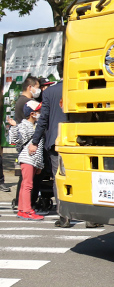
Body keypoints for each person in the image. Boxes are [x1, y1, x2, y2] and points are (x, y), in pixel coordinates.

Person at [30, 64, 68, 226]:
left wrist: (35, 141)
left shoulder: (50, 92)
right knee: (82, 177)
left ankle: (64, 216)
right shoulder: (81, 87)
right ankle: (90, 218)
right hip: (79, 141)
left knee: (58, 177)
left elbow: (43, 119)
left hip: (55, 140)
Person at [2, 75, 41, 193]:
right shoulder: (28, 103)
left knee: (25, 180)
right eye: (37, 87)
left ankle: (20, 203)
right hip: (28, 148)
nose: (38, 90)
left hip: (24, 146)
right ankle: (23, 205)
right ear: (30, 87)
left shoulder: (20, 100)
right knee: (27, 182)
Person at [8, 100, 44, 220]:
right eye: (38, 111)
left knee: (25, 185)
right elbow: (16, 140)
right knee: (28, 185)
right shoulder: (25, 125)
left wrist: (39, 165)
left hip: (31, 160)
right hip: (28, 159)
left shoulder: (35, 125)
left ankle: (22, 210)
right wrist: (14, 127)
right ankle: (27, 210)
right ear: (32, 114)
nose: (40, 112)